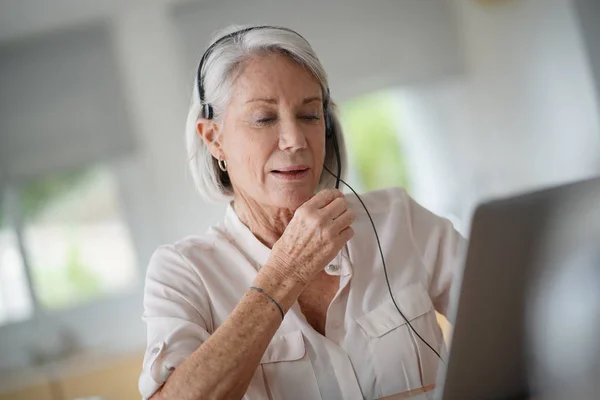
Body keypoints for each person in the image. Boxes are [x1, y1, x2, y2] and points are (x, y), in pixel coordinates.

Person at [138, 24, 464, 400]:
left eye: (309, 115)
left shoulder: (397, 218)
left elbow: (514, 318)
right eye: (264, 119)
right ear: (214, 139)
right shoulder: (181, 271)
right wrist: (285, 273)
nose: (295, 140)